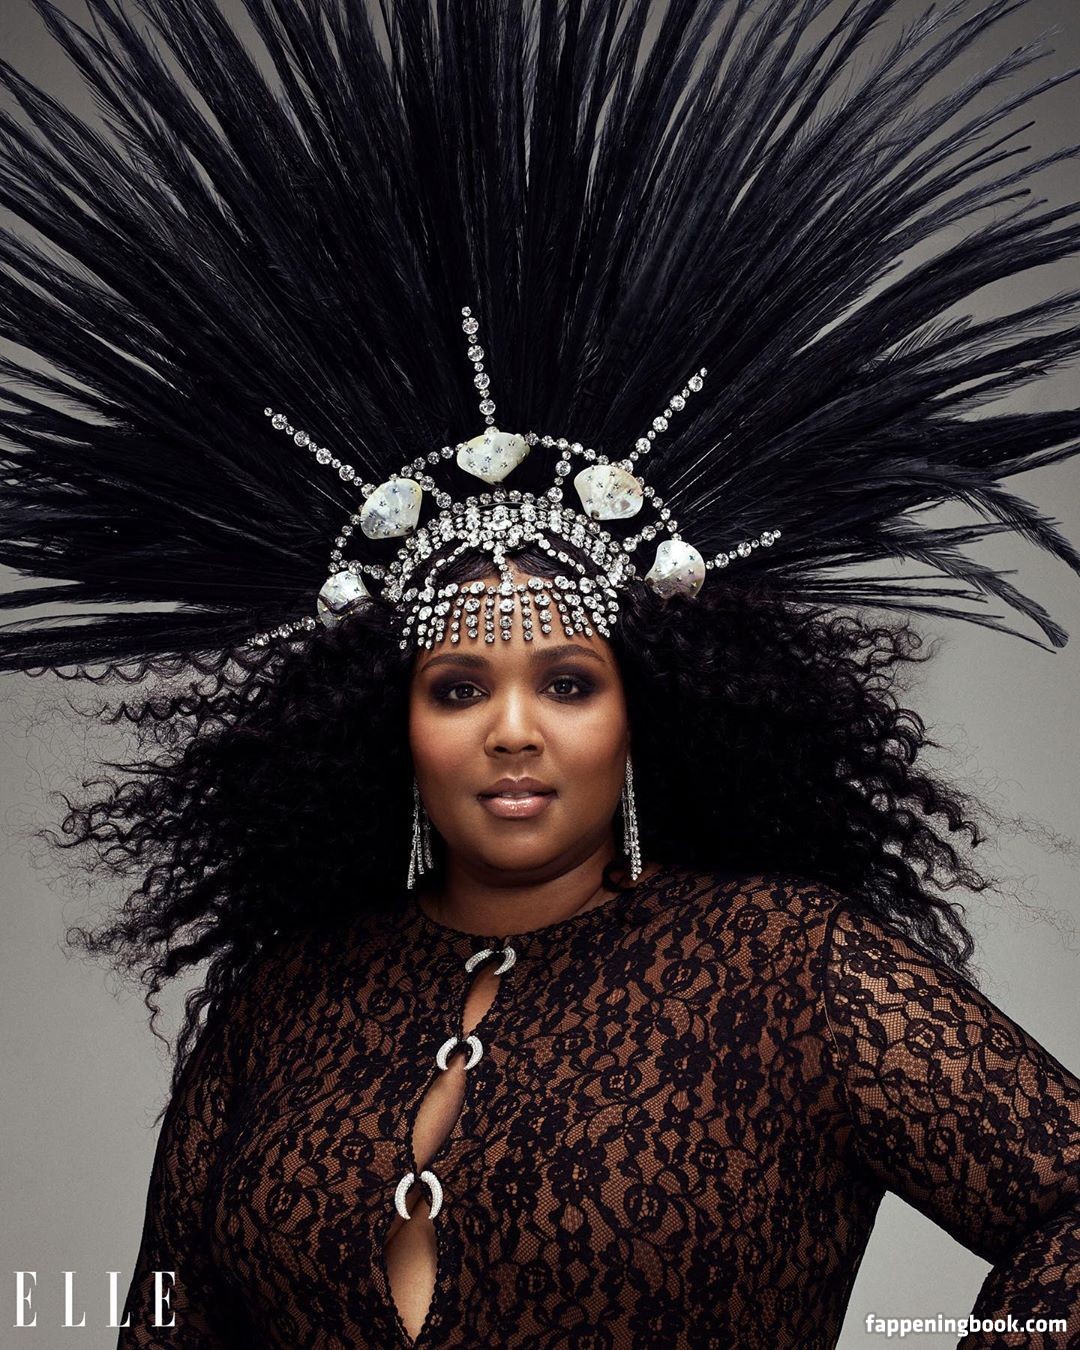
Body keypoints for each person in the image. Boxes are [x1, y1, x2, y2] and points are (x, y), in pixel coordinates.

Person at [0, 0, 1079, 1346]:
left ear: (645, 710)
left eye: (568, 681)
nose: (513, 729)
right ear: (388, 723)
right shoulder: (279, 1004)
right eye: (458, 688)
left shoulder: (788, 966)